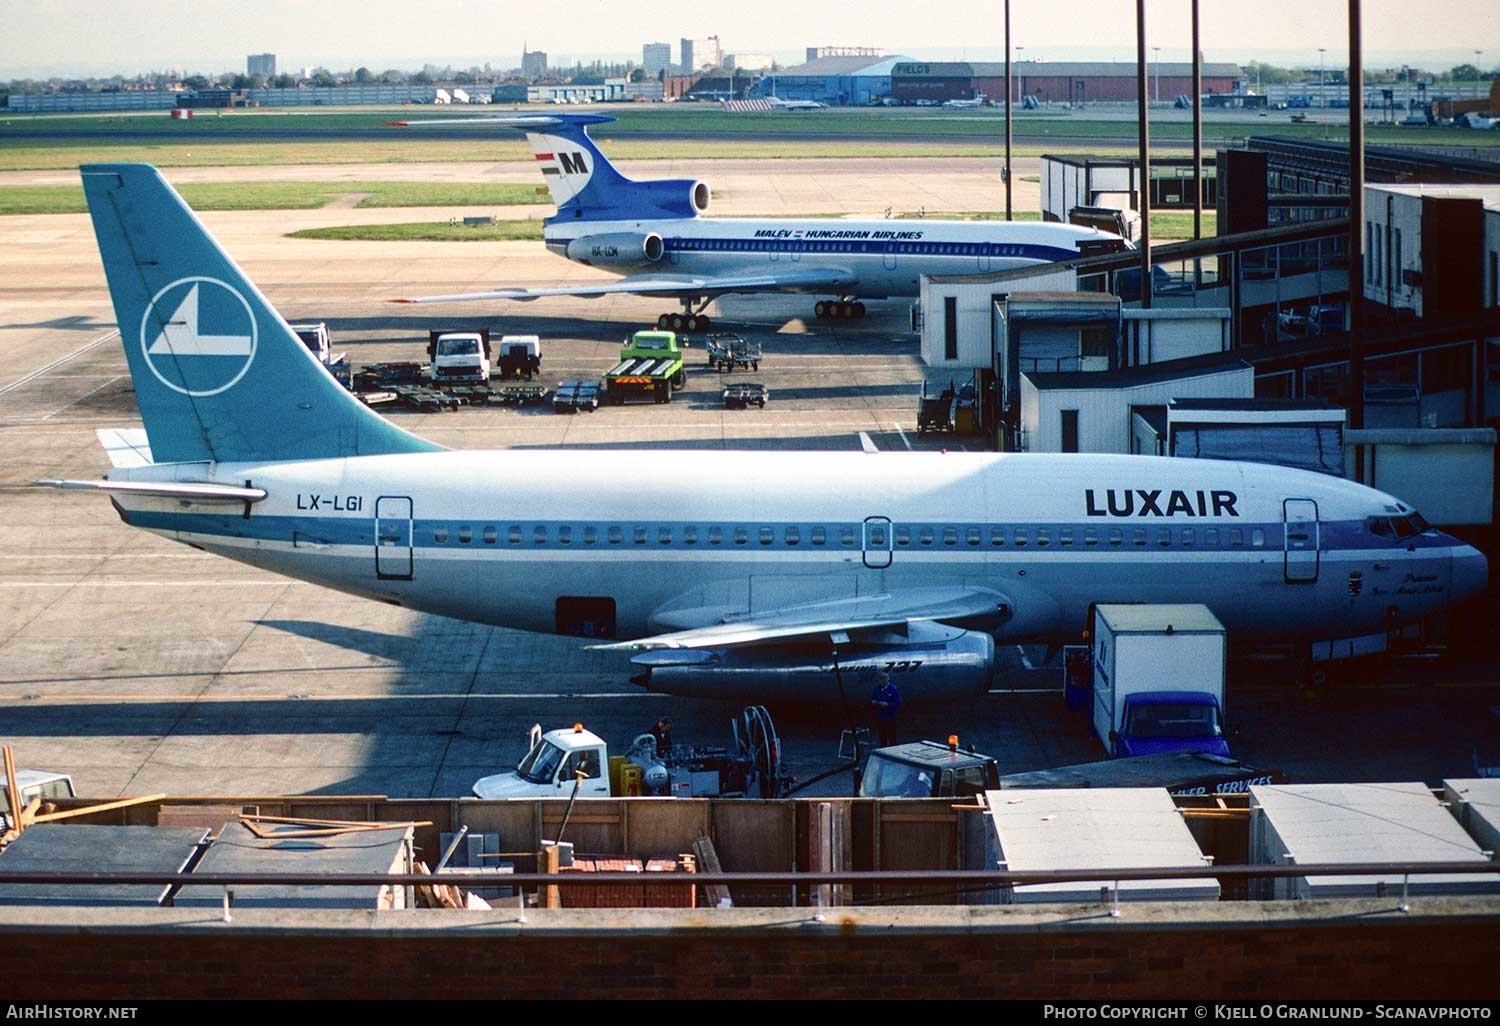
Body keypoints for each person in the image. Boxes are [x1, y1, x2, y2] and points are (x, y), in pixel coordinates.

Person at [870, 673, 902, 748]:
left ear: (888, 680)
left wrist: (888, 704)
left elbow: (898, 703)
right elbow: (874, 698)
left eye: (884, 679)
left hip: (890, 717)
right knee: (882, 736)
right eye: (881, 679)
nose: (882, 681)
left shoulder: (893, 689)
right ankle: (883, 750)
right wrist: (874, 701)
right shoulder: (877, 688)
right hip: (880, 716)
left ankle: (893, 752)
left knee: (892, 737)